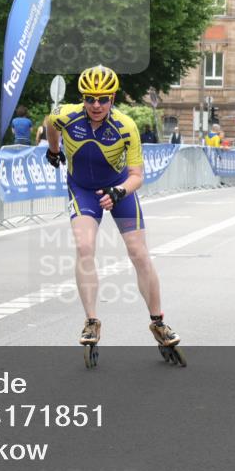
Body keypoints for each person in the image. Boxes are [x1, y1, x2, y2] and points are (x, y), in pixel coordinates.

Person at [43, 65, 182, 363]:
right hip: (82, 190)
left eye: (103, 99)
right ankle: (91, 320)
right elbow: (49, 124)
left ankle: (158, 322)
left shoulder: (125, 126)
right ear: (83, 98)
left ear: (113, 98)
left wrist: (119, 192)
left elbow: (137, 176)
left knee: (139, 253)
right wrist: (53, 151)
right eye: (90, 98)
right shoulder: (67, 115)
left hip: (120, 191)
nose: (96, 105)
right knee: (84, 246)